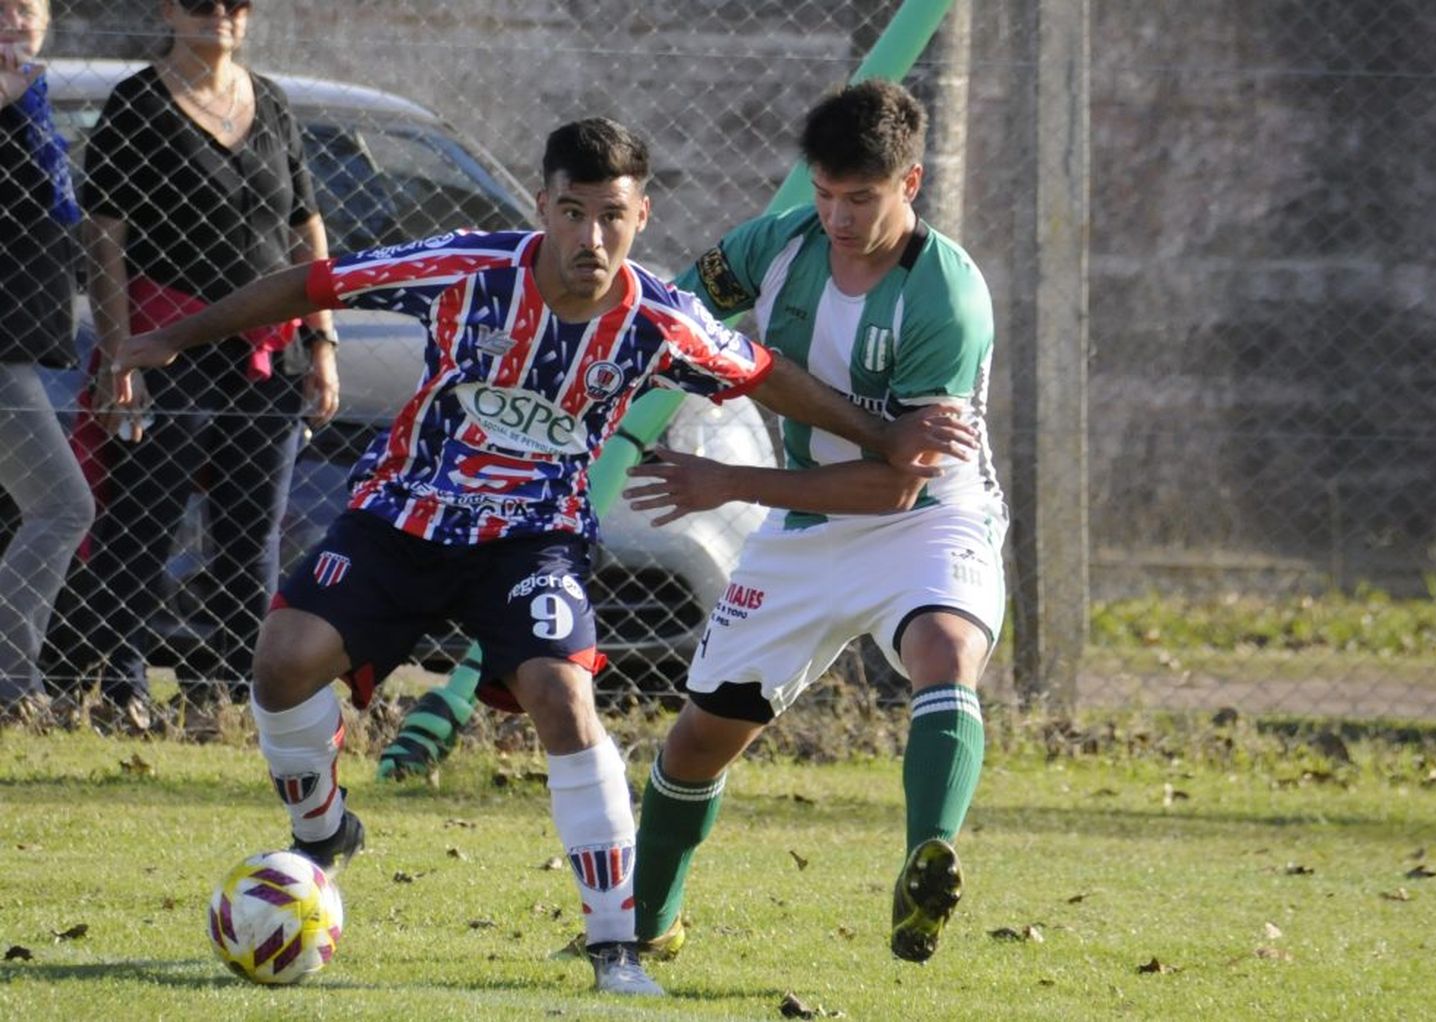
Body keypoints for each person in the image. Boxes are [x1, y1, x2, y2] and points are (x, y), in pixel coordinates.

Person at [112, 117, 973, 995]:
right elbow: (314, 280)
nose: (590, 238)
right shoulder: (466, 266)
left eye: (611, 215)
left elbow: (763, 373)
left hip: (533, 540)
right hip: (403, 515)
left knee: (565, 696)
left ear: (642, 215)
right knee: (283, 662)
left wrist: (882, 431)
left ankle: (616, 951)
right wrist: (174, 336)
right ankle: (322, 827)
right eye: (571, 212)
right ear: (542, 208)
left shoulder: (661, 321)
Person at [625, 80, 1006, 965]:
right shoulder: (779, 242)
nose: (836, 216)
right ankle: (647, 926)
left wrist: (727, 479)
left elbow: (893, 490)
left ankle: (926, 860)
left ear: (909, 184)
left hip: (929, 519)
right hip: (800, 525)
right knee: (698, 743)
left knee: (946, 653)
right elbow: (675, 315)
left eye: (860, 198)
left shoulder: (946, 298)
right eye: (824, 193)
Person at [48, 0, 338, 726]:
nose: (222, 16)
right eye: (202, 3)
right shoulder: (137, 104)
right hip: (165, 346)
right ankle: (123, 688)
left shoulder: (268, 101)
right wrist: (120, 353)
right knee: (142, 524)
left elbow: (306, 228)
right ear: (170, 12)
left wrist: (323, 342)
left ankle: (235, 694)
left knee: (252, 536)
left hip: (267, 358)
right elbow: (105, 235)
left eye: (236, 4)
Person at [0, 0, 95, 719]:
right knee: (63, 505)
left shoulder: (31, 93)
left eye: (27, 8)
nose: (15, 20)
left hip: (19, 344)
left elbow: (57, 211)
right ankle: (10, 681)